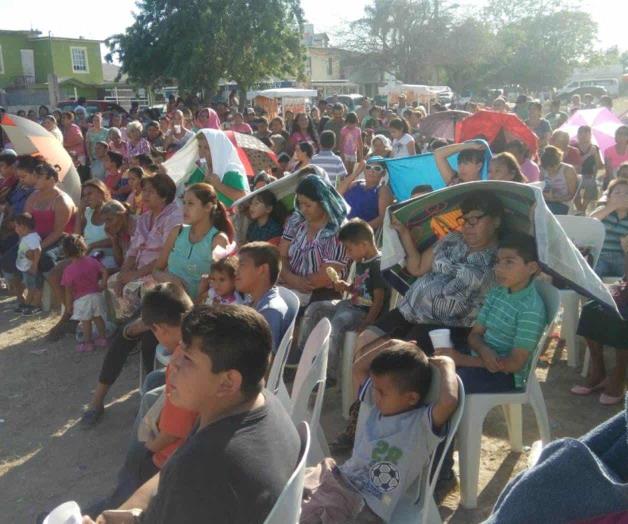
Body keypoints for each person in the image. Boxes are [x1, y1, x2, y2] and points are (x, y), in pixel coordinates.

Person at [82, 304, 301, 524]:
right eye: (179, 350)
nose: (173, 364)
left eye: (187, 358)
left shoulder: (204, 466)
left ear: (228, 382)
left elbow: (182, 474)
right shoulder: (263, 403)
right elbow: (168, 475)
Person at [300, 342, 457, 523]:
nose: (375, 395)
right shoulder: (377, 406)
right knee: (291, 490)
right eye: (375, 388)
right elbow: (358, 368)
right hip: (339, 477)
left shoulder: (421, 424)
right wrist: (390, 344)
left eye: (381, 392)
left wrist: (448, 365)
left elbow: (449, 401)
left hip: (368, 502)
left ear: (412, 398)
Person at [355, 190, 502, 358]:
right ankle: (362, 385)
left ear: (496, 221)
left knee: (395, 360)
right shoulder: (452, 239)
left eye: (475, 219)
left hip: (448, 326)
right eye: (465, 219)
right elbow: (417, 268)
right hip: (410, 311)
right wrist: (404, 234)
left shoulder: (502, 259)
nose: (468, 225)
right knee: (364, 343)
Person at [435, 232, 546, 393]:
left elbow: (515, 364)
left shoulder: (531, 309)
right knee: (430, 368)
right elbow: (474, 335)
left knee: (447, 386)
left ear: (532, 268)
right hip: (478, 357)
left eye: (509, 262)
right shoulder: (497, 293)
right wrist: (484, 350)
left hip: (504, 375)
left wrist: (462, 360)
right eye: (497, 262)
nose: (499, 269)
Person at [298, 219, 389, 382]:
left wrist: (368, 322)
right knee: (315, 308)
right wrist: (345, 286)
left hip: (363, 312)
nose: (347, 254)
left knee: (337, 323)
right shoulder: (361, 262)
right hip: (350, 304)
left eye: (349, 249)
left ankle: (329, 373)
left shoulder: (378, 264)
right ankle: (304, 354)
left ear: (364, 245)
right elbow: (358, 290)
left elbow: (379, 298)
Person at [108, 173, 182, 321]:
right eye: (144, 191)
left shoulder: (173, 218)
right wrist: (123, 274)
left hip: (160, 271)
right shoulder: (144, 217)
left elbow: (166, 256)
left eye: (151, 192)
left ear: (164, 196)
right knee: (113, 281)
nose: (145, 195)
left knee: (133, 289)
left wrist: (135, 275)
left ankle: (140, 329)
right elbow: (133, 251)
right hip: (140, 270)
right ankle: (123, 326)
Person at [152, 183, 233, 300]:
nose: (185, 208)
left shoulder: (218, 239)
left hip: (195, 307)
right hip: (167, 298)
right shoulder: (177, 231)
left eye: (190, 203)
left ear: (208, 207)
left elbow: (221, 284)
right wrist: (172, 280)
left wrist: (197, 301)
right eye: (184, 203)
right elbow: (156, 270)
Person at [279, 174, 349, 306]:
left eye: (308, 205)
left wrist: (297, 283)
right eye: (300, 204)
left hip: (322, 293)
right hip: (289, 283)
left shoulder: (339, 230)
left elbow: (327, 274)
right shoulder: (296, 220)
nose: (302, 209)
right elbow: (282, 255)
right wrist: (290, 278)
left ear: (323, 203)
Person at [235, 241, 291, 353]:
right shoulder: (253, 302)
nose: (235, 271)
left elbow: (266, 360)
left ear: (262, 270)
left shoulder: (270, 311)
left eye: (241, 265)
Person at [60, 234, 108, 352]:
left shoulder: (68, 270)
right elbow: (104, 271)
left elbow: (68, 290)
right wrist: (103, 284)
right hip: (96, 294)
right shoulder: (92, 261)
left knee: (86, 322)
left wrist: (68, 305)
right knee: (98, 318)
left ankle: (88, 343)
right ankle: (103, 339)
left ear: (65, 252)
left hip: (82, 299)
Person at [338, 156, 394, 231]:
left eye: (377, 168)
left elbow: (383, 217)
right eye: (368, 167)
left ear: (383, 173)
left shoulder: (383, 190)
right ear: (364, 170)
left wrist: (358, 230)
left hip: (360, 234)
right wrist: (356, 173)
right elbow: (337, 193)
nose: (371, 171)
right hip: (342, 228)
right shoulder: (357, 183)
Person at [196, 129, 249, 206]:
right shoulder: (201, 169)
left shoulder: (232, 170)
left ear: (217, 149)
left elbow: (244, 199)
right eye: (199, 146)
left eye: (206, 148)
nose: (201, 152)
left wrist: (218, 185)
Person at [589, 179, 628, 278]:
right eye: (617, 192)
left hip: (621, 257)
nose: (622, 196)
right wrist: (612, 206)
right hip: (600, 255)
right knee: (594, 273)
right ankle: (590, 292)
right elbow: (590, 221)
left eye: (626, 193)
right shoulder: (604, 210)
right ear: (609, 197)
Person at [13, 212, 42, 315]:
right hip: (23, 268)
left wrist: (34, 265)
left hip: (29, 268)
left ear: (23, 227)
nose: (15, 229)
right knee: (28, 286)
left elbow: (37, 250)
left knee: (33, 288)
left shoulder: (32, 237)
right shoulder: (26, 236)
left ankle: (34, 306)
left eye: (16, 226)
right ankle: (27, 304)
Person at [540, 145, 579, 215]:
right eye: (547, 169)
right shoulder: (543, 169)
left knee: (543, 211)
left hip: (563, 203)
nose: (549, 172)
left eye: (551, 168)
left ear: (557, 163)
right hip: (547, 202)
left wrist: (555, 199)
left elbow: (571, 195)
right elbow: (541, 188)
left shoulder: (568, 170)